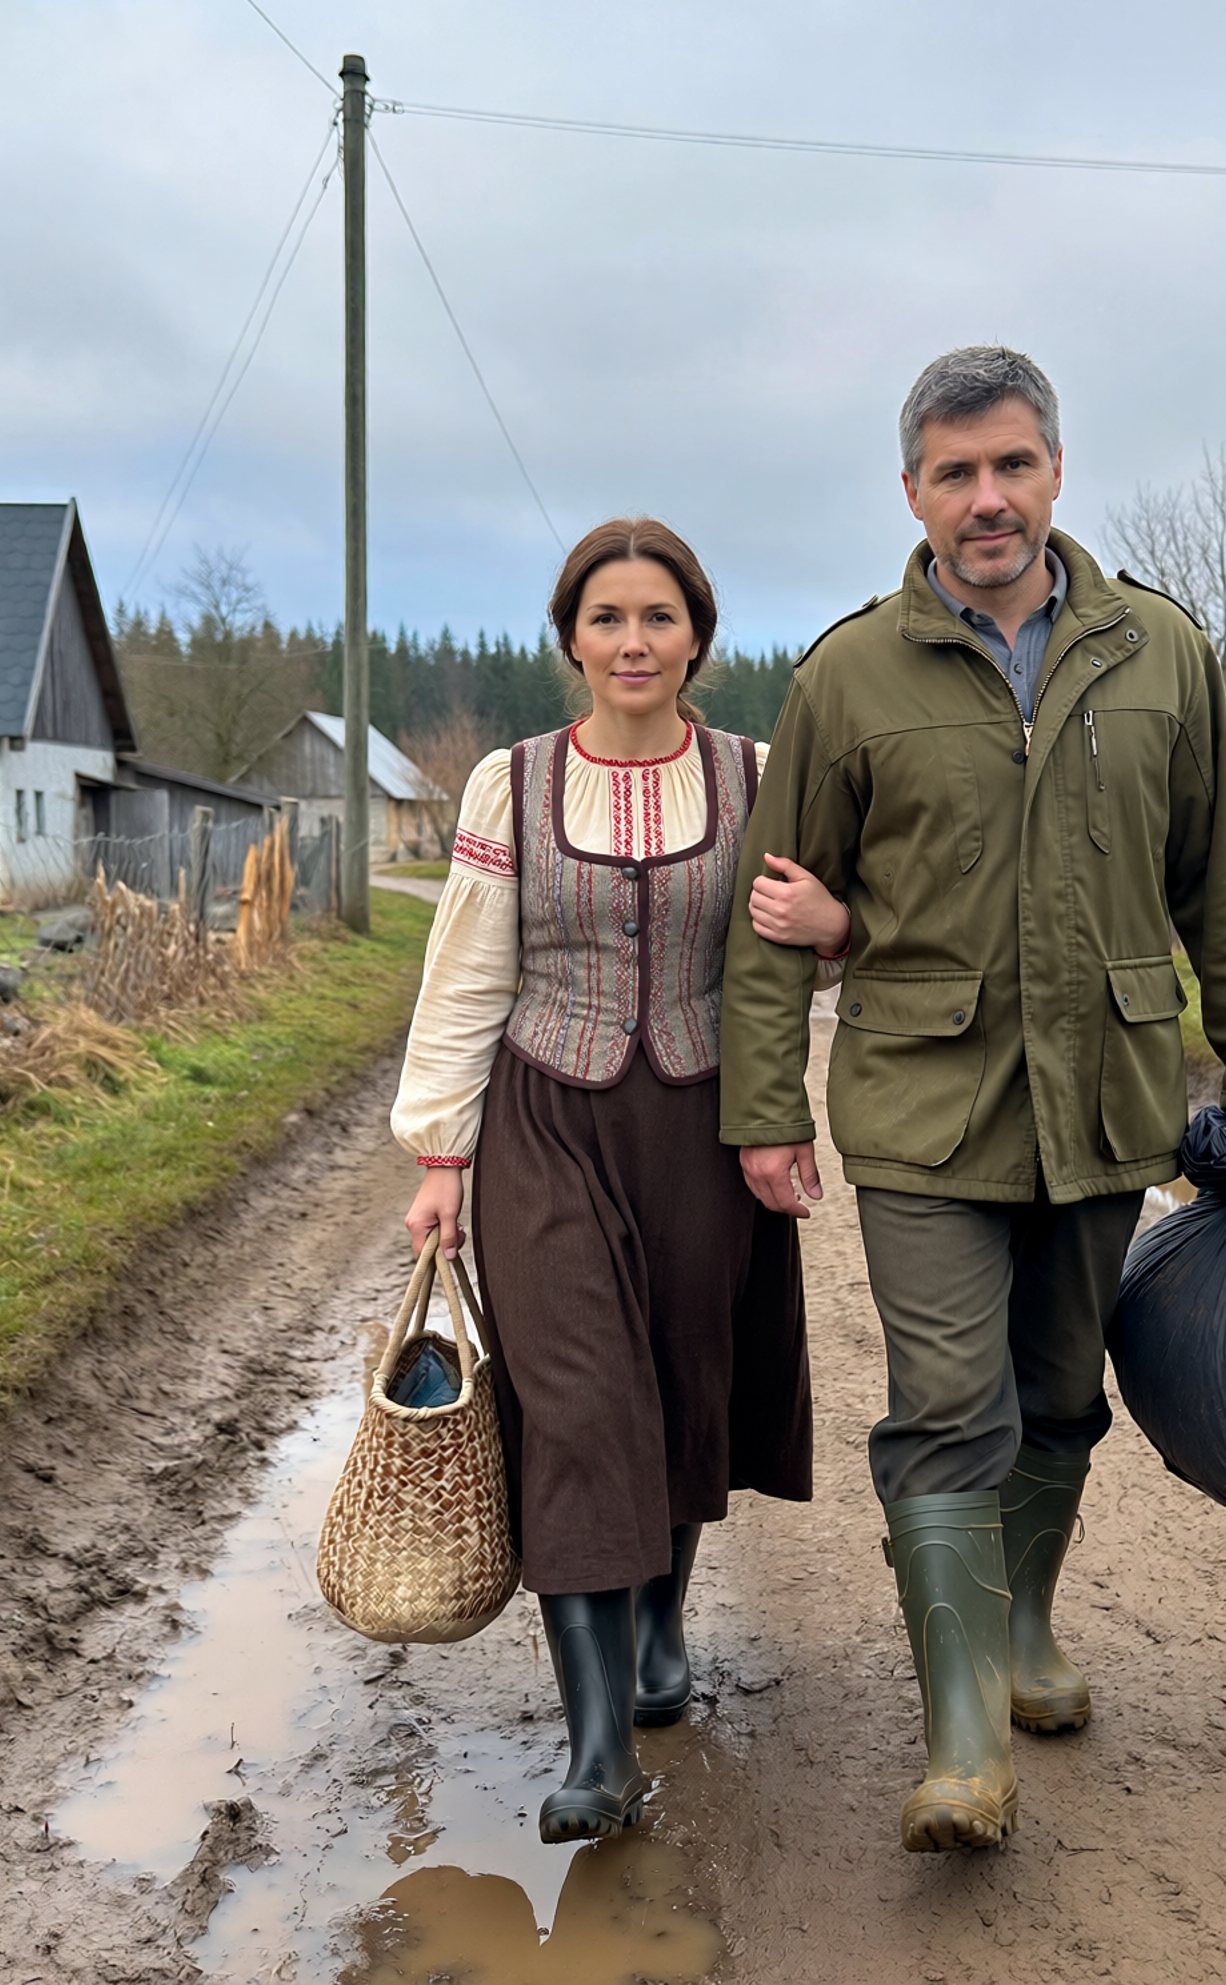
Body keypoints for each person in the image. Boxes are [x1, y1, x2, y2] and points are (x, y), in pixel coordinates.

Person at [722, 347, 1226, 1853]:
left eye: (1011, 466)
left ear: (1056, 471)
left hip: (1108, 1102)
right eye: (954, 474)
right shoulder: (849, 676)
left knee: (1059, 1395)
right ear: (911, 492)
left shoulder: (1160, 653)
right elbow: (777, 906)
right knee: (948, 1407)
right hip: (922, 1106)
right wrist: (766, 1108)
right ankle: (965, 1742)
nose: (986, 499)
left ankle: (1025, 1626)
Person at [392, 517, 849, 1844]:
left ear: (697, 636)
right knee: (578, 1408)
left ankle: (662, 1625)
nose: (634, 641)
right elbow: (467, 973)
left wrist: (836, 940)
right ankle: (597, 1750)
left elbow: (802, 949)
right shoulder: (512, 784)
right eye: (607, 618)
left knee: (684, 1384)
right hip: (549, 1122)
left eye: (659, 617)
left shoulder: (756, 775)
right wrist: (442, 1154)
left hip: (707, 1126)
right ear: (571, 639)